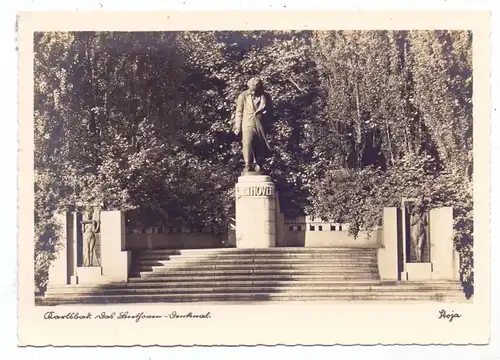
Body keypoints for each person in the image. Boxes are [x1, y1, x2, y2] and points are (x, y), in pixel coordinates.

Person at [233, 77, 273, 173]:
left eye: (255, 89)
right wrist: (237, 126)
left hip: (260, 123)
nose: (253, 91)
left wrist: (266, 117)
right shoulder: (243, 95)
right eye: (251, 89)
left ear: (259, 87)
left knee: (260, 143)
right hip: (247, 122)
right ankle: (247, 164)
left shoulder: (266, 96)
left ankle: (259, 164)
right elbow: (239, 111)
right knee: (247, 143)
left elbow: (271, 111)